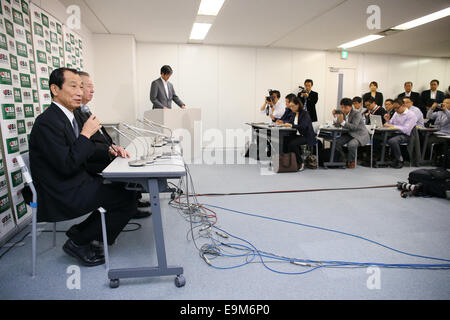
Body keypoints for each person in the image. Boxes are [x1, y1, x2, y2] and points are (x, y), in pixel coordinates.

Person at [29, 68, 137, 267]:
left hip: (75, 181)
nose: (79, 92)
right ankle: (78, 242)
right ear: (55, 89)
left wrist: (109, 151)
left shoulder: (67, 117)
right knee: (125, 198)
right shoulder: (46, 122)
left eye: (81, 86)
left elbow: (81, 153)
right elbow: (67, 165)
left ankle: (83, 233)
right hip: (60, 190)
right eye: (73, 86)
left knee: (126, 191)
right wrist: (86, 134)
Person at [74, 71, 152, 219]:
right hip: (94, 162)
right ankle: (130, 206)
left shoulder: (85, 110)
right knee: (129, 167)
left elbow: (101, 137)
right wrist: (108, 150)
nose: (93, 90)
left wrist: (113, 146)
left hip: (103, 153)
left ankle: (133, 201)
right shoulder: (75, 115)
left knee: (131, 160)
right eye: (89, 86)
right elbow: (88, 145)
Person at [332, 98, 370, 169]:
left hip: (359, 135)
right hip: (350, 134)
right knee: (336, 142)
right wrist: (335, 118)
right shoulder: (342, 113)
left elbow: (354, 127)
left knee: (351, 144)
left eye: (345, 108)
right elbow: (338, 124)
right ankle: (343, 159)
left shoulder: (357, 114)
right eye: (342, 107)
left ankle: (351, 161)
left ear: (350, 107)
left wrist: (342, 122)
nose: (343, 109)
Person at [280, 97, 315, 171]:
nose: (291, 108)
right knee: (284, 140)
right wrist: (283, 123)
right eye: (290, 106)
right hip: (298, 135)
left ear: (298, 105)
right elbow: (290, 122)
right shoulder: (293, 114)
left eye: (292, 106)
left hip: (306, 136)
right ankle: (289, 161)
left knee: (292, 144)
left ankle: (300, 162)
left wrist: (291, 125)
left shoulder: (305, 114)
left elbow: (303, 126)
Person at [384, 100, 417, 169]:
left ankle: (400, 160)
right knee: (379, 137)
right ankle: (384, 159)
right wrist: (388, 121)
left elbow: (406, 129)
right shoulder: (396, 113)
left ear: (403, 106)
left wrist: (393, 126)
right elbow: (391, 124)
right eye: (394, 108)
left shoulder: (411, 115)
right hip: (396, 133)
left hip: (406, 135)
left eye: (397, 108)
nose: (395, 110)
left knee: (393, 141)